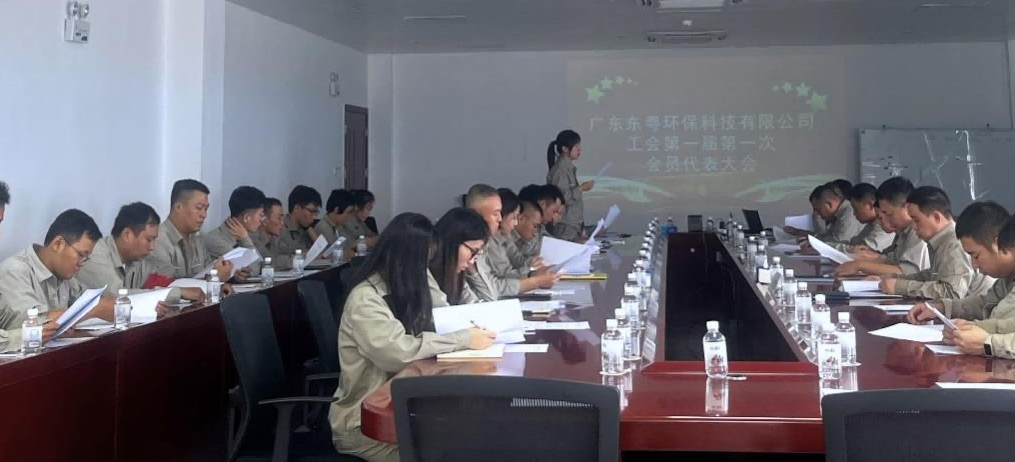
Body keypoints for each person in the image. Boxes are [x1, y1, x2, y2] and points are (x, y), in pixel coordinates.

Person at [328, 212, 496, 462]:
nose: (426, 271)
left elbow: (443, 314)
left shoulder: (404, 288)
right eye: (422, 264)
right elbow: (397, 353)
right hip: (363, 425)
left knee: (475, 436)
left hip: (406, 410)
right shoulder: (366, 299)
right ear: (404, 262)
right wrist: (462, 340)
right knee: (454, 451)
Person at [0, 209, 115, 347]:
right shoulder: (14, 271)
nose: (81, 263)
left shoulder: (65, 277)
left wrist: (98, 307)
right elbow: (32, 325)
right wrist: (92, 311)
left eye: (86, 258)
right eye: (81, 255)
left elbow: (100, 303)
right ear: (58, 244)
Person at [878, 186, 993, 299]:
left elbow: (952, 292)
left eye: (917, 220)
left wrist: (900, 287)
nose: (913, 227)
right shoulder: (940, 240)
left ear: (936, 217)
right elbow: (933, 276)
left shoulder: (954, 244)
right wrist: (895, 279)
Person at [907, 202, 1013, 324]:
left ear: (998, 244)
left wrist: (975, 328)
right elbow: (984, 304)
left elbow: (1006, 325)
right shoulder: (1006, 279)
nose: (974, 265)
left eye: (976, 256)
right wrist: (940, 308)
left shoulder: (951, 245)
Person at [77, 202, 204, 303]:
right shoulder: (96, 253)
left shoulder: (136, 260)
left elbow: (164, 277)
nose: (152, 247)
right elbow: (117, 297)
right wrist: (177, 292)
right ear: (127, 234)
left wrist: (200, 286)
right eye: (148, 240)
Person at [464, 184, 558, 301]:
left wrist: (532, 273)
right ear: (477, 215)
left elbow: (516, 262)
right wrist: (533, 280)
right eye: (495, 213)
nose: (500, 219)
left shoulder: (485, 242)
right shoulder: (469, 247)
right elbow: (492, 288)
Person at [833, 177, 928, 277]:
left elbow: (907, 272)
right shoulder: (903, 232)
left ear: (907, 207)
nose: (884, 220)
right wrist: (853, 260)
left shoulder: (917, 231)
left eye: (889, 214)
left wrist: (859, 265)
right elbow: (889, 261)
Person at [149, 179, 232, 279]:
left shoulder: (197, 240)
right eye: (199, 208)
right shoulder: (157, 240)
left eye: (206, 209)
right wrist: (214, 279)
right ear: (178, 207)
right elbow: (168, 284)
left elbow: (207, 271)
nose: (204, 215)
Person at [430, 208, 490, 305]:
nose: (471, 261)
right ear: (453, 242)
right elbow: (442, 308)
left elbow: (482, 302)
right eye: (473, 251)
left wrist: (473, 271)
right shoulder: (424, 271)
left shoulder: (455, 275)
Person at [546, 130, 593, 241]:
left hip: (572, 226)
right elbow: (561, 199)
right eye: (576, 147)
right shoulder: (560, 170)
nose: (579, 150)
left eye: (579, 146)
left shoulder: (567, 167)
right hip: (564, 226)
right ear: (565, 149)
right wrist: (581, 188)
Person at [203, 186, 266, 266]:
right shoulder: (214, 241)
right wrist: (245, 239)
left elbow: (264, 266)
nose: (263, 219)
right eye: (261, 215)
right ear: (246, 218)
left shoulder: (247, 236)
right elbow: (255, 268)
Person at [487, 189, 542, 275]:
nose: (516, 223)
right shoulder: (490, 242)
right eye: (513, 218)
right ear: (501, 215)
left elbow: (517, 259)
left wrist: (532, 262)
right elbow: (504, 276)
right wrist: (530, 269)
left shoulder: (505, 235)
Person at [831, 182, 895, 253]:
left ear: (870, 205)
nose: (854, 214)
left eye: (856, 209)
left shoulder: (884, 227)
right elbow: (854, 244)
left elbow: (862, 251)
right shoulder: (871, 225)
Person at [799, 182, 863, 245]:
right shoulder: (837, 214)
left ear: (829, 204)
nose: (817, 214)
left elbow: (840, 242)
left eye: (818, 210)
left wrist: (813, 243)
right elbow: (828, 237)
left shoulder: (849, 211)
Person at [251, 198, 294, 270]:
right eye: (279, 218)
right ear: (264, 220)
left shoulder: (275, 238)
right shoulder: (253, 239)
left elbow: (292, 251)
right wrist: (296, 260)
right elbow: (269, 262)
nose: (282, 223)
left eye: (283, 219)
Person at [314, 189, 357, 258]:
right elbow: (329, 254)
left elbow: (350, 245)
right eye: (348, 212)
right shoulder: (322, 228)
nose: (350, 216)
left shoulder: (340, 226)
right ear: (336, 210)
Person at [280, 185, 322, 252]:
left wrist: (309, 228)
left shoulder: (306, 229)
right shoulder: (280, 229)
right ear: (296, 208)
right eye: (311, 211)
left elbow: (323, 252)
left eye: (316, 212)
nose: (314, 217)